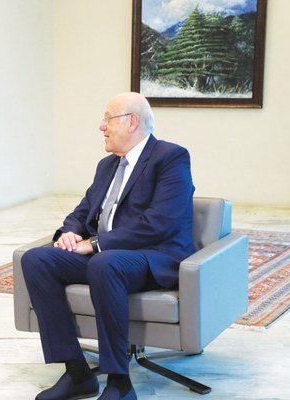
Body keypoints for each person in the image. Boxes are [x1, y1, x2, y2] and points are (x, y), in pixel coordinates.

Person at [21, 92, 195, 400]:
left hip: (150, 257)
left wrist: (96, 244)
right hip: (106, 257)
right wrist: (70, 233)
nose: (102, 127)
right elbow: (83, 210)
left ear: (132, 122)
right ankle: (77, 373)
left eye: (107, 119)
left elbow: (160, 222)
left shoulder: (171, 157)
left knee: (104, 262)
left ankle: (119, 383)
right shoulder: (107, 165)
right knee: (37, 259)